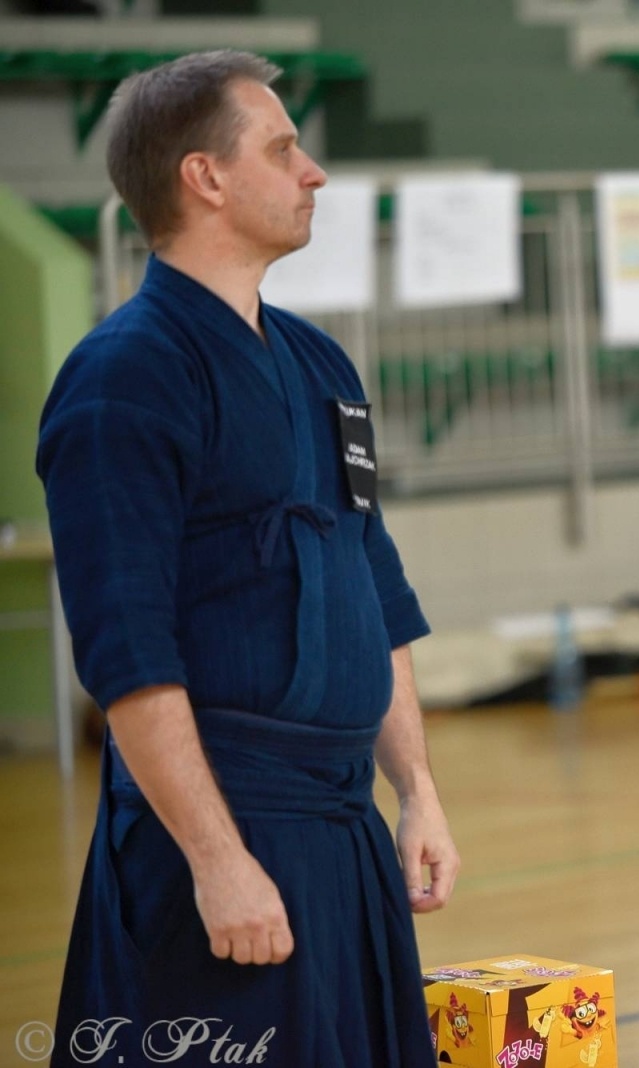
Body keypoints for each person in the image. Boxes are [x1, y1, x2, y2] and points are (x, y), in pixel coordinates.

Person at [37, 51, 457, 1065]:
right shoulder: (121, 380)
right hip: (217, 839)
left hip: (341, 832)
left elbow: (375, 585)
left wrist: (418, 790)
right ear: (205, 177)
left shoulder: (322, 364)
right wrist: (217, 860)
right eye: (283, 148)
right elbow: (126, 653)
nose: (313, 172)